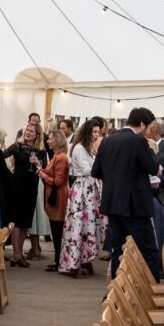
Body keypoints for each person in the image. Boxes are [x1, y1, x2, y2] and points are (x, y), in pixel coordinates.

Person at [91, 107, 163, 281]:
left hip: (113, 203)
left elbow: (96, 171)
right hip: (135, 205)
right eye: (148, 128)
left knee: (118, 250)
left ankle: (116, 292)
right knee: (149, 251)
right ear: (142, 124)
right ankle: (153, 291)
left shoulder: (107, 140)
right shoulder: (138, 141)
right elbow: (153, 168)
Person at [62, 118, 104, 276]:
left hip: (89, 190)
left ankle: (86, 259)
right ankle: (74, 264)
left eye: (98, 132)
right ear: (87, 132)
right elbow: (87, 170)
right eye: (94, 132)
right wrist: (100, 166)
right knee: (78, 226)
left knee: (89, 226)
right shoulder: (78, 148)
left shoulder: (88, 148)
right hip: (81, 190)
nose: (96, 135)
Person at [5, 122, 48, 265]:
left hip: (31, 187)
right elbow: (2, 156)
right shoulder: (17, 146)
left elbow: (45, 168)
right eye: (27, 130)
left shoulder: (41, 150)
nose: (28, 133)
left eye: (31, 131)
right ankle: (17, 254)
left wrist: (38, 163)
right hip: (17, 186)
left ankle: (19, 253)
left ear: (37, 134)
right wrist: (8, 172)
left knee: (26, 221)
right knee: (17, 220)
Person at [37, 129, 70, 274]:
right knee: (56, 230)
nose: (48, 141)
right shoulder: (56, 156)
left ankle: (59, 262)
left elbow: (58, 181)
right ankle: (58, 261)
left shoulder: (61, 157)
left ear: (57, 140)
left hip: (58, 198)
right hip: (55, 196)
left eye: (50, 139)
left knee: (58, 231)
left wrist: (42, 174)